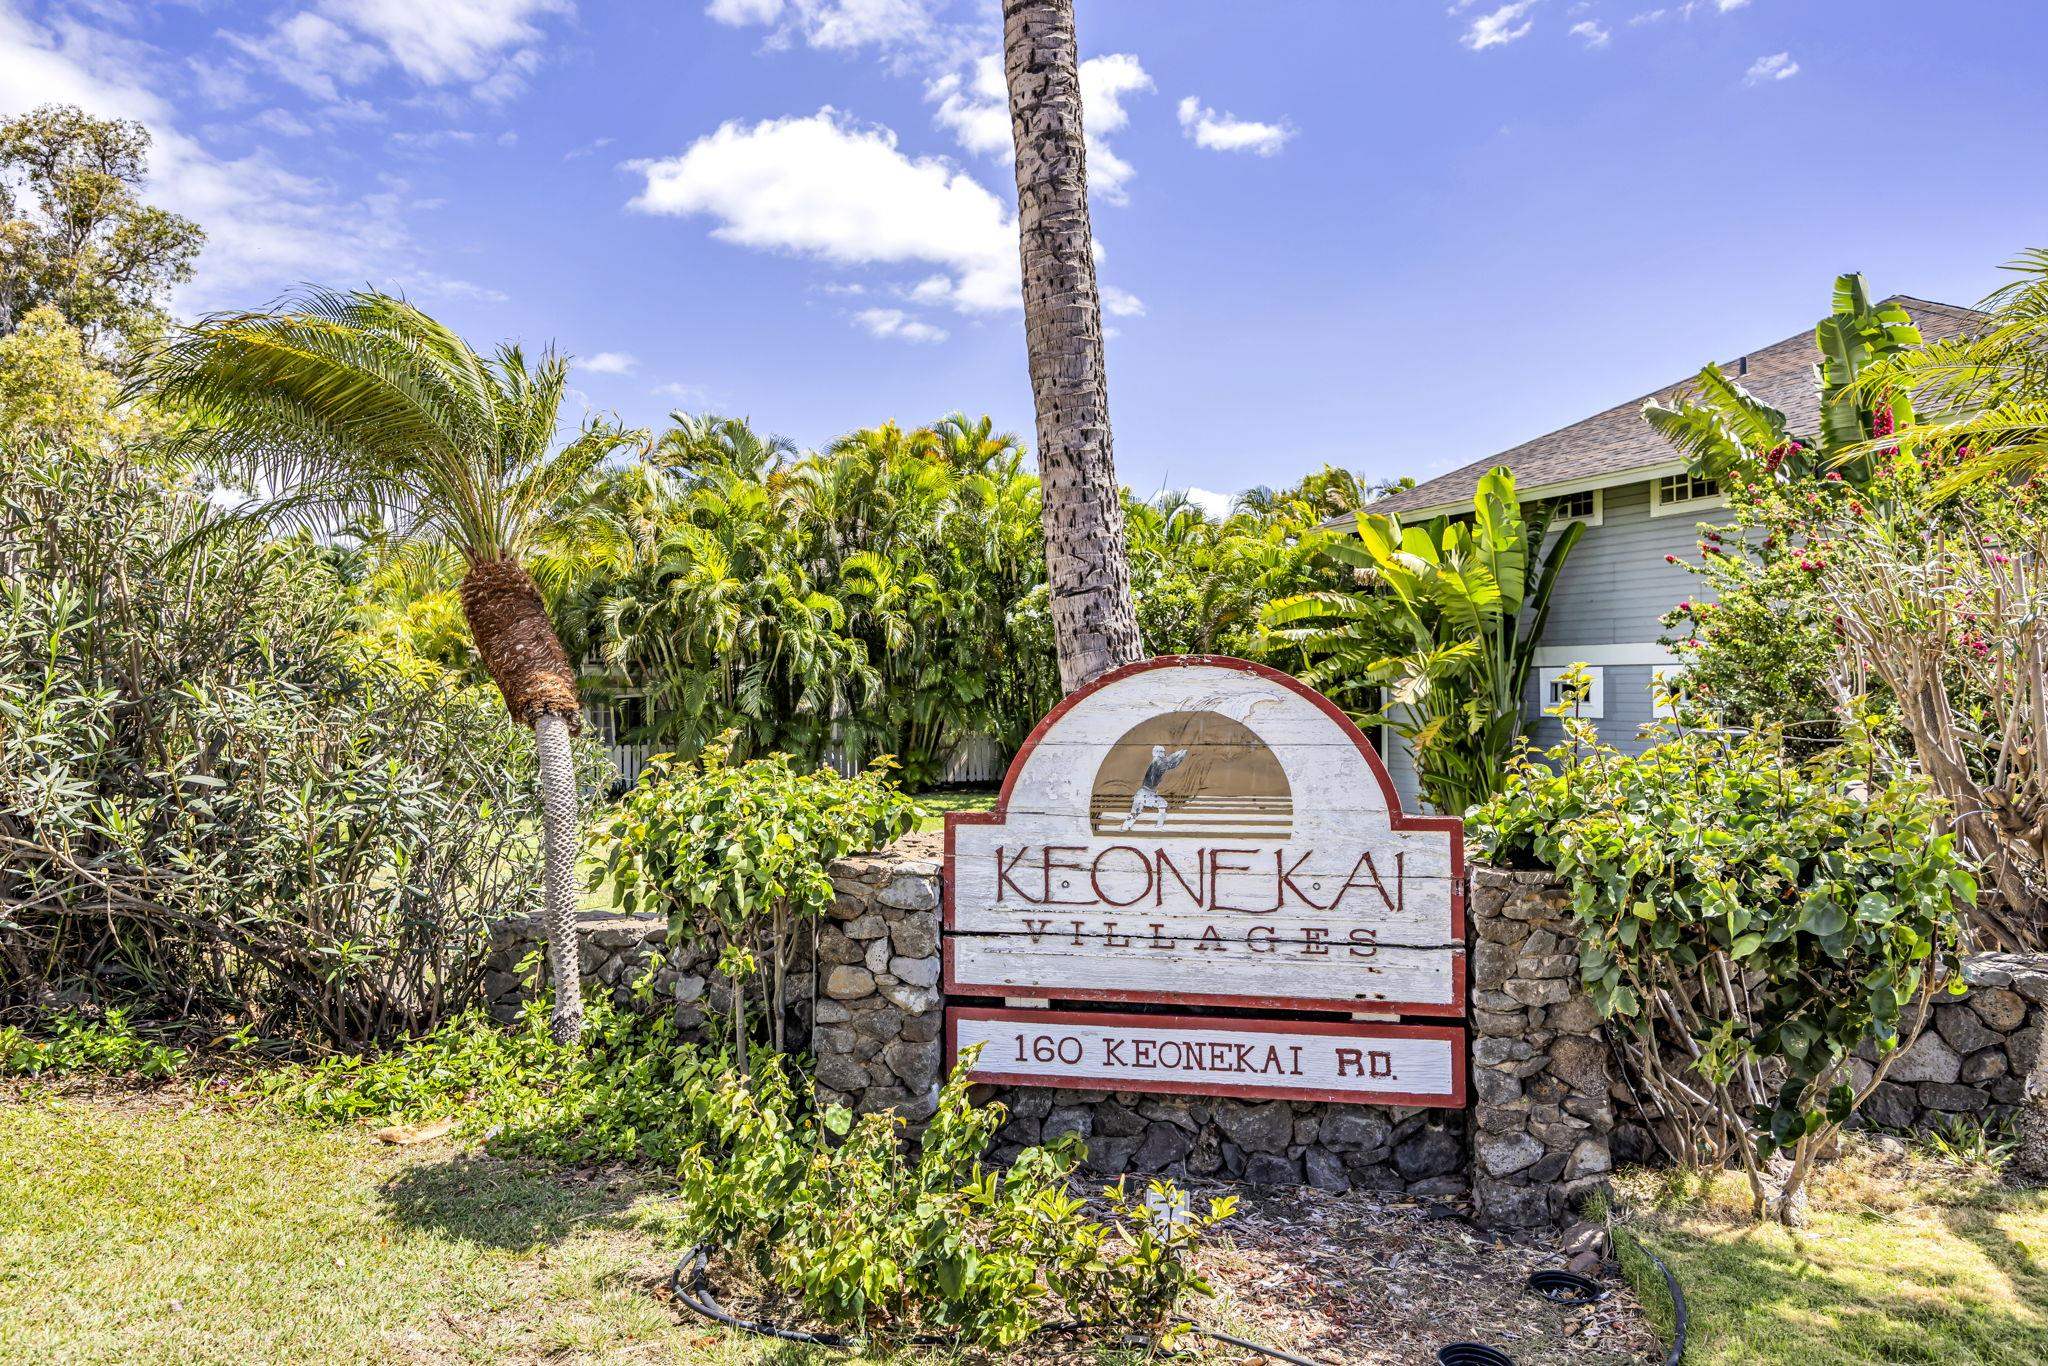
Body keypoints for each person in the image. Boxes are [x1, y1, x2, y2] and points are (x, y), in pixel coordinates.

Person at [1120, 745, 1187, 830]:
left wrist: (1178, 755)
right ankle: (1159, 827)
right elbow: (1170, 764)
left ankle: (1124, 828)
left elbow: (1168, 762)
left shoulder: (1156, 762)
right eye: (1162, 752)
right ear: (1159, 753)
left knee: (1134, 813)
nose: (1164, 754)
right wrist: (1180, 755)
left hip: (1141, 794)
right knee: (1163, 804)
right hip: (1147, 794)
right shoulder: (1158, 762)